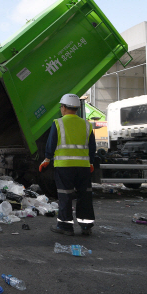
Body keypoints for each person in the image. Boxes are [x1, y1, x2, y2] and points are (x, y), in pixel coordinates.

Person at [39, 94, 96, 236]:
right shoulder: (86, 124)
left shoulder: (58, 123)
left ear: (63, 108)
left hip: (64, 166)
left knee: (65, 195)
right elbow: (92, 147)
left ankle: (65, 226)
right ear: (76, 108)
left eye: (61, 107)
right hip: (83, 167)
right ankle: (86, 227)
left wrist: (46, 159)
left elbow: (51, 144)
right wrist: (91, 163)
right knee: (85, 195)